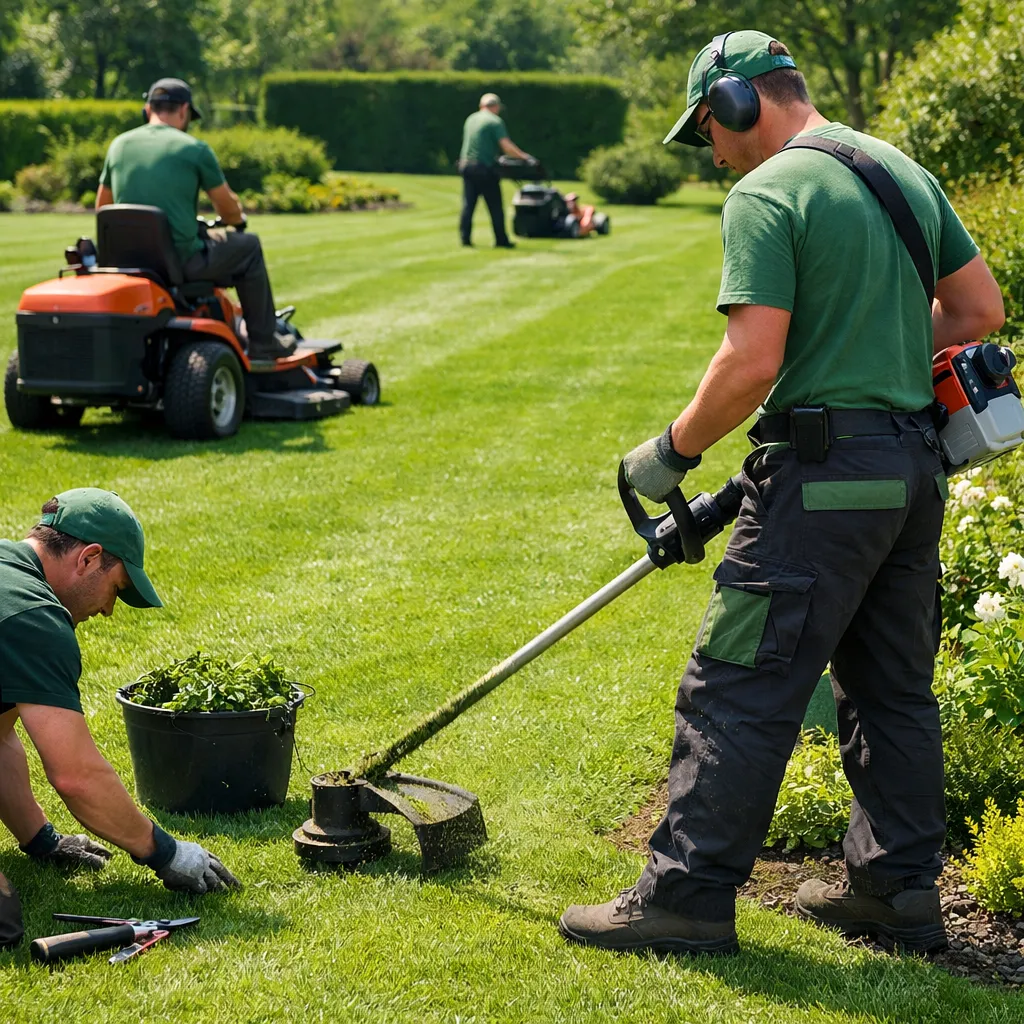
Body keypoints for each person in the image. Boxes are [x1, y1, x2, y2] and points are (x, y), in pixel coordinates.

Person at [558, 30, 1006, 955]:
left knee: (736, 687)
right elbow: (977, 313)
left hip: (822, 485)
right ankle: (898, 892)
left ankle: (685, 898)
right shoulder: (900, 171)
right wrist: (872, 348)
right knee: (892, 692)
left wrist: (669, 454)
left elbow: (751, 362)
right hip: (911, 477)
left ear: (735, 101)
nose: (713, 155)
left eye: (707, 132)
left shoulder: (768, 192)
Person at [0, 488, 240, 949]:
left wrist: (41, 840)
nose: (109, 609)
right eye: (117, 589)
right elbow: (76, 777)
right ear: (89, 558)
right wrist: (166, 852)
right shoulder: (32, 618)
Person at [96, 78, 293, 361]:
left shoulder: (119, 145)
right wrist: (236, 220)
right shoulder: (194, 149)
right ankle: (264, 342)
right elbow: (227, 208)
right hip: (179, 261)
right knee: (248, 246)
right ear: (184, 110)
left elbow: (103, 207)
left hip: (127, 260)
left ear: (147, 109)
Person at [458, 92, 534, 248]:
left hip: (466, 165)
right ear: (496, 107)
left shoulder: (471, 119)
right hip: (484, 168)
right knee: (495, 206)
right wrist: (525, 157)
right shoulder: (495, 121)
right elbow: (506, 146)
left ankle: (465, 238)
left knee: (468, 205)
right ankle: (501, 240)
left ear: (481, 106)